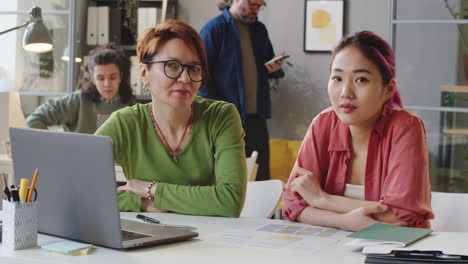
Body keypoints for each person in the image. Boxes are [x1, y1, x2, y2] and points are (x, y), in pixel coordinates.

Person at [282, 31, 434, 231]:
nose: (346, 93)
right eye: (337, 78)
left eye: (361, 79)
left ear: (388, 90)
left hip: (395, 251)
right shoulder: (322, 124)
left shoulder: (406, 127)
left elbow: (401, 214)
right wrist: (344, 222)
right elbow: (293, 205)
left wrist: (322, 199)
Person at [95, 20, 247, 217]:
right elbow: (78, 186)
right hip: (145, 235)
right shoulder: (125, 123)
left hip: (206, 238)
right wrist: (143, 204)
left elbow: (230, 201)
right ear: (143, 72)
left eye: (194, 68)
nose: (185, 78)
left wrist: (152, 190)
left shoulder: (221, 116)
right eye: (172, 66)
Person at [199, 0, 285, 181]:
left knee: (261, 178)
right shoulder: (214, 29)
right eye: (252, 4)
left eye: (260, 6)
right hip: (226, 119)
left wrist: (273, 67)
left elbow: (264, 66)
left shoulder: (260, 30)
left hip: (257, 117)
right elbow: (201, 76)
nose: (256, 10)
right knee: (229, 178)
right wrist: (216, 114)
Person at [26, 44, 136, 134]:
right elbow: (35, 119)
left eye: (112, 77)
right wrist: (52, 146)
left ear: (120, 77)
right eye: (100, 78)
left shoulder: (130, 105)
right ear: (92, 78)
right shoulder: (78, 100)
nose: (107, 84)